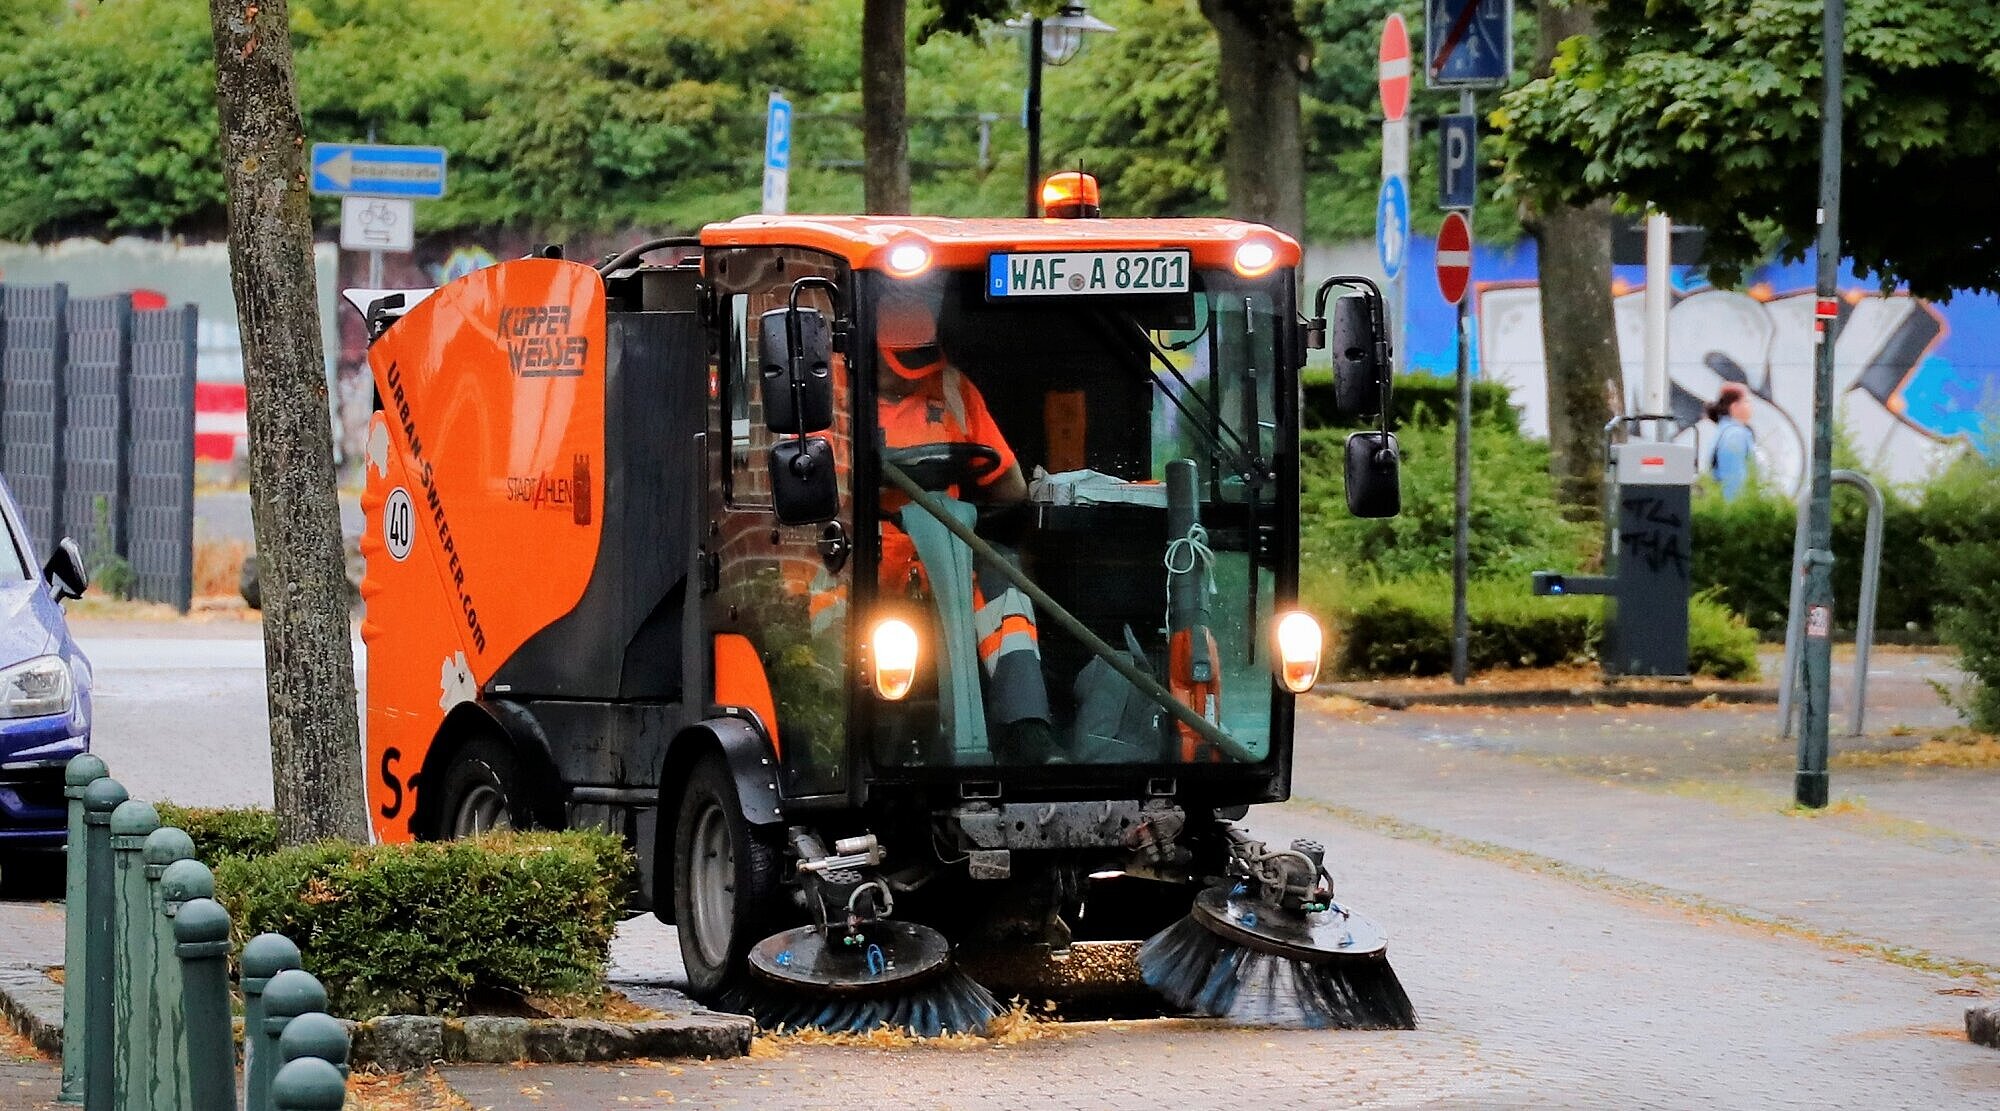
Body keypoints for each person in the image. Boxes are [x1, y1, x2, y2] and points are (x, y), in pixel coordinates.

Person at [874, 290, 1059, 763]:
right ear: (868, 353)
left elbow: (1010, 485)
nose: (917, 376)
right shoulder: (831, 398)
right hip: (869, 553)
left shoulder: (954, 390)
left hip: (952, 549)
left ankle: (1028, 731)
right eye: (900, 362)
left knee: (1006, 583)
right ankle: (848, 743)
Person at [1705, 383, 1756, 501]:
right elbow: (1734, 480)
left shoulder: (1724, 431)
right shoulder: (1735, 435)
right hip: (1735, 510)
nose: (1750, 407)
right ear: (1735, 407)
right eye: (1747, 402)